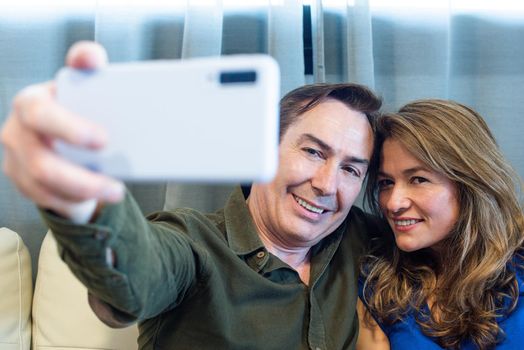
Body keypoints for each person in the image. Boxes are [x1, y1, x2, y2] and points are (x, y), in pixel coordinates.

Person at [1, 41, 385, 349]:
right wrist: (84, 204)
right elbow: (137, 278)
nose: (326, 183)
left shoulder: (360, 240)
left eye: (351, 169)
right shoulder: (192, 242)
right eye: (313, 152)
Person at [356, 99, 524, 349]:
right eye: (385, 183)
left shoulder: (517, 268)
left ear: (470, 183)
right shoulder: (377, 283)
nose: (393, 203)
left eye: (418, 179)